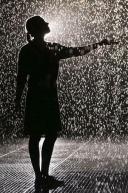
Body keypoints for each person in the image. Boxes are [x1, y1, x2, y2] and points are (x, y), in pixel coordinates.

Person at [15, 15, 118, 191]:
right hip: (43, 98)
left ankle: (42, 175)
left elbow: (76, 51)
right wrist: (17, 99)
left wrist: (99, 44)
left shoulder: (41, 49)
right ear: (38, 29)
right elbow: (22, 77)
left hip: (40, 98)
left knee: (44, 135)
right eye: (44, 23)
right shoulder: (44, 50)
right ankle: (41, 175)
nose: (48, 24)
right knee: (41, 135)